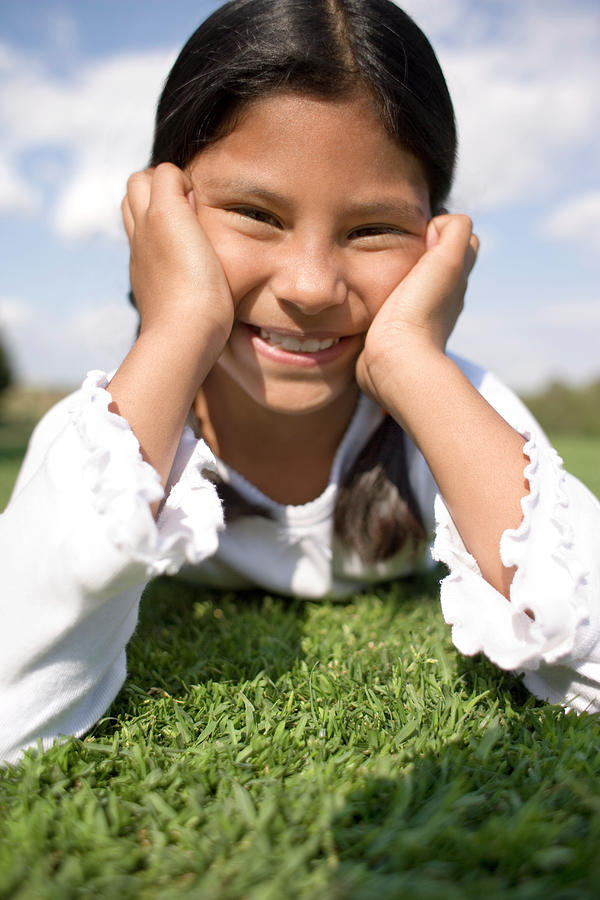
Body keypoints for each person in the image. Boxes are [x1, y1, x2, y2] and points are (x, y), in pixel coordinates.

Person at [1, 0, 599, 768]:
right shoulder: (112, 433)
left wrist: (413, 363)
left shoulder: (447, 405)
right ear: (162, 213)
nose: (313, 286)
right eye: (255, 213)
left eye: (372, 228)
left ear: (436, 240)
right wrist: (179, 323)